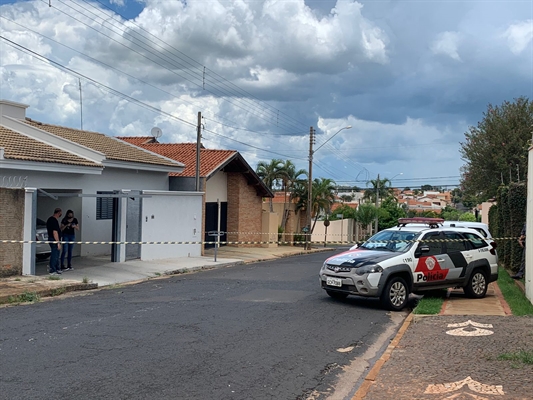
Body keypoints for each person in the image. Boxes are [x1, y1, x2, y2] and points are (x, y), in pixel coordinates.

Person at [46, 208, 62, 275]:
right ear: (58, 213)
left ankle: (57, 268)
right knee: (55, 255)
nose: (60, 215)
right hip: (54, 240)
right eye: (60, 213)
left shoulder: (49, 219)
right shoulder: (54, 221)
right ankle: (52, 269)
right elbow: (55, 232)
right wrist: (58, 242)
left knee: (56, 254)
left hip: (51, 239)